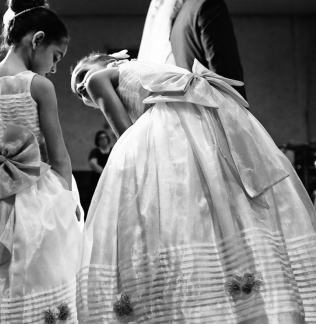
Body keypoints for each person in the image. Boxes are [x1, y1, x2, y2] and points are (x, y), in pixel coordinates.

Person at [71, 54, 316, 322]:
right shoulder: (148, 67)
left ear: (107, 61)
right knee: (216, 212)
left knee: (175, 221)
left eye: (81, 76)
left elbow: (125, 136)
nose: (83, 88)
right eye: (78, 92)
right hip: (202, 115)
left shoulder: (100, 79)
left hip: (174, 124)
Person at [0, 0, 84, 323]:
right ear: (36, 40)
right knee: (32, 276)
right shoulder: (38, 86)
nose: (54, 68)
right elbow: (60, 156)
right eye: (56, 56)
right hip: (33, 196)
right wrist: (67, 204)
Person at [170, 0, 246, 99]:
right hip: (217, 109)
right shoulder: (210, 5)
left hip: (191, 110)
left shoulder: (179, 16)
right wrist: (241, 111)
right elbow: (224, 70)